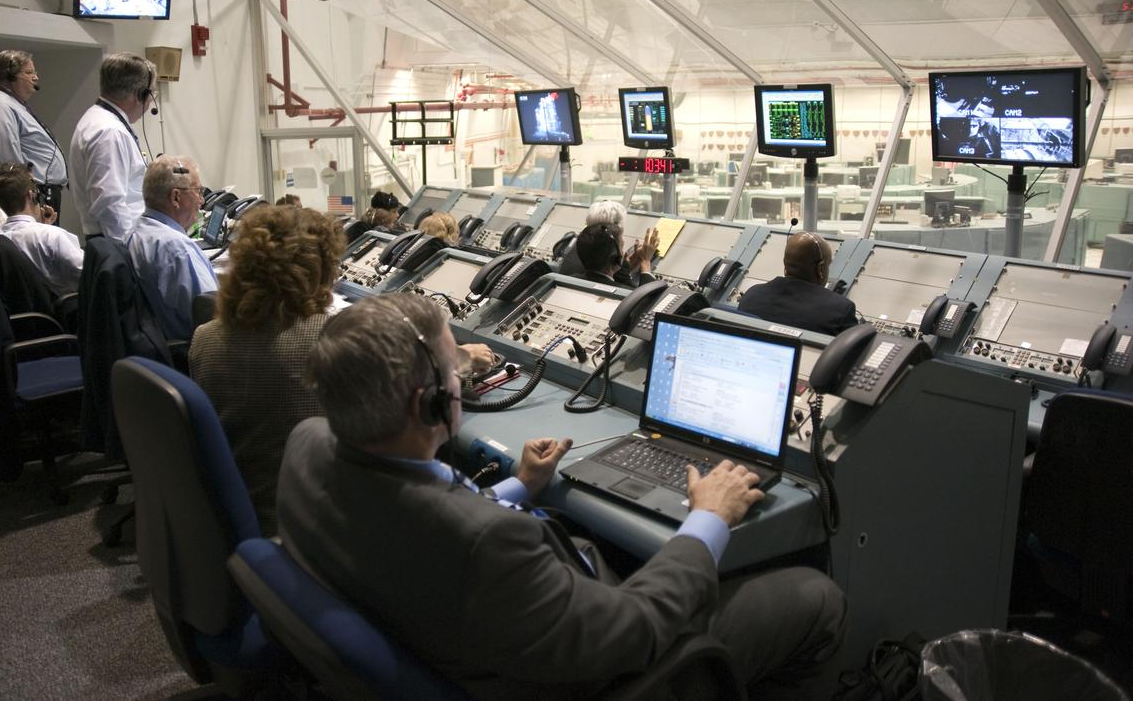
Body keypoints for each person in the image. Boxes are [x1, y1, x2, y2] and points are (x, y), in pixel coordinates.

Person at [277, 293, 846, 698]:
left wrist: (518, 487)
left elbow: (420, 517)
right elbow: (641, 624)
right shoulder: (490, 544)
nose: (464, 379)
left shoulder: (307, 445)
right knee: (813, 594)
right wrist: (708, 519)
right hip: (592, 665)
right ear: (429, 404)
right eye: (457, 371)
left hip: (453, 630)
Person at [191, 205, 345, 532]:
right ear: (321, 268)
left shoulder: (203, 339)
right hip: (309, 523)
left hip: (232, 516)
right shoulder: (334, 341)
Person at [127, 155, 218, 341]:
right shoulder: (177, 250)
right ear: (176, 197)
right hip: (196, 353)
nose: (201, 201)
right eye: (198, 191)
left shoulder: (137, 232)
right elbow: (214, 317)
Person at [69, 52, 156, 240]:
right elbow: (109, 204)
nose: (150, 102)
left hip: (112, 241)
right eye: (151, 94)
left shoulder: (99, 119)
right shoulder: (109, 132)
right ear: (139, 95)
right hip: (118, 244)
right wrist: (133, 250)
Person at [0, 50, 68, 219]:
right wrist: (25, 197)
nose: (36, 77)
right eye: (29, 72)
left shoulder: (12, 103)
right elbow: (7, 158)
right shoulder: (0, 106)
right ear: (10, 76)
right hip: (28, 196)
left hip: (36, 192)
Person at [737, 232, 858, 336]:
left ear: (785, 262)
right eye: (828, 265)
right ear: (820, 268)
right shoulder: (841, 309)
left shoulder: (752, 295)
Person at [0, 164, 83, 296]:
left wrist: (44, 226)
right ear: (32, 196)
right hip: (62, 312)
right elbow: (87, 275)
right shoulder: (52, 237)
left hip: (18, 314)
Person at [559, 200, 647, 286]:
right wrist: (645, 263)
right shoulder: (604, 256)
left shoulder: (581, 248)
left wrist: (627, 266)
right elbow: (628, 291)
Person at [574, 222, 659, 288]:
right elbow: (648, 300)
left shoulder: (572, 279)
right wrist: (645, 261)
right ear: (615, 259)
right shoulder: (626, 294)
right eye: (622, 248)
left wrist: (628, 266)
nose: (623, 252)